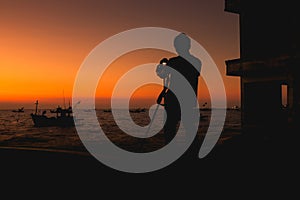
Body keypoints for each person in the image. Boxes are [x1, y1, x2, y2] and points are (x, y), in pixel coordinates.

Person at [156, 33, 201, 157]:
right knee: (189, 129)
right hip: (188, 100)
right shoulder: (196, 62)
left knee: (170, 129)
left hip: (174, 100)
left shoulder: (173, 62)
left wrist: (161, 67)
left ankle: (171, 155)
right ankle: (193, 155)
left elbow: (162, 75)